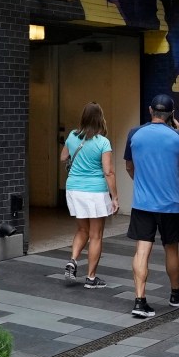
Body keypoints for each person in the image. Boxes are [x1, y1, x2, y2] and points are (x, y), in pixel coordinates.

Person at [122, 94, 179, 320]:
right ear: (172, 115)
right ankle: (175, 293)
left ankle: (140, 302)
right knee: (171, 249)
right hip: (170, 205)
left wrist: (142, 185)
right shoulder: (178, 136)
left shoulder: (134, 134)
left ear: (150, 110)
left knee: (142, 250)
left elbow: (129, 166)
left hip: (143, 204)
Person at [59, 103, 115, 288]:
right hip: (95, 192)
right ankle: (91, 278)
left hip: (74, 189)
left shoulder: (73, 136)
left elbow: (62, 157)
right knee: (96, 235)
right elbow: (108, 172)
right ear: (100, 118)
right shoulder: (102, 142)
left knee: (82, 230)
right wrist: (114, 197)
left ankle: (73, 260)